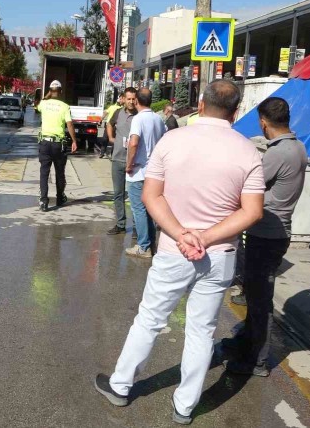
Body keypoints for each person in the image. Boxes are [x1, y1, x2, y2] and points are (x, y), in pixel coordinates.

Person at [94, 80, 265, 425]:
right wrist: (207, 236)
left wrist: (181, 234)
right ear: (235, 112)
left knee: (150, 319)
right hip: (219, 254)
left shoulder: (172, 141)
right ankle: (185, 407)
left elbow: (151, 196)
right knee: (202, 330)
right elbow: (252, 211)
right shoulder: (248, 151)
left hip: (174, 250)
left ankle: (121, 386)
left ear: (200, 105)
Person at [223, 97, 308, 377]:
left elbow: (250, 184)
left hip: (267, 233)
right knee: (254, 292)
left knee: (259, 300)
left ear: (263, 122)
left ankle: (257, 360)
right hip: (276, 231)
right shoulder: (298, 146)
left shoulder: (277, 153)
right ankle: (246, 342)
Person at [124, 88, 165, 259]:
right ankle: (151, 244)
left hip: (139, 170)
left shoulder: (138, 119)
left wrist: (129, 165)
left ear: (136, 101)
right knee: (149, 209)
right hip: (154, 171)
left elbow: (133, 143)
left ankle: (143, 246)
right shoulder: (158, 119)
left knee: (139, 209)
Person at [35, 80, 77, 212]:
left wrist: (47, 94)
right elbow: (69, 124)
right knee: (60, 172)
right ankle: (60, 197)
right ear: (61, 91)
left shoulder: (44, 104)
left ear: (50, 91)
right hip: (58, 144)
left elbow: (38, 105)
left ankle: (44, 201)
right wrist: (74, 141)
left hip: (44, 143)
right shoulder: (65, 106)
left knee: (44, 172)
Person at [106, 87, 138, 236]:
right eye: (128, 99)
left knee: (135, 196)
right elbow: (109, 124)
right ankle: (120, 224)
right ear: (123, 99)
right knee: (118, 194)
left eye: (133, 99)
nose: (131, 101)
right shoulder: (118, 113)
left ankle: (137, 227)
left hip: (135, 161)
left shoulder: (139, 115)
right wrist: (111, 138)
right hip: (118, 159)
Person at [98, 93, 124, 158]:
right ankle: (109, 154)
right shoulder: (117, 108)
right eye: (120, 99)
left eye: (121, 99)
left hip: (111, 126)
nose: (120, 100)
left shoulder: (116, 108)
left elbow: (105, 113)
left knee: (107, 140)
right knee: (111, 140)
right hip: (112, 126)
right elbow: (105, 112)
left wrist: (100, 120)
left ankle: (104, 153)